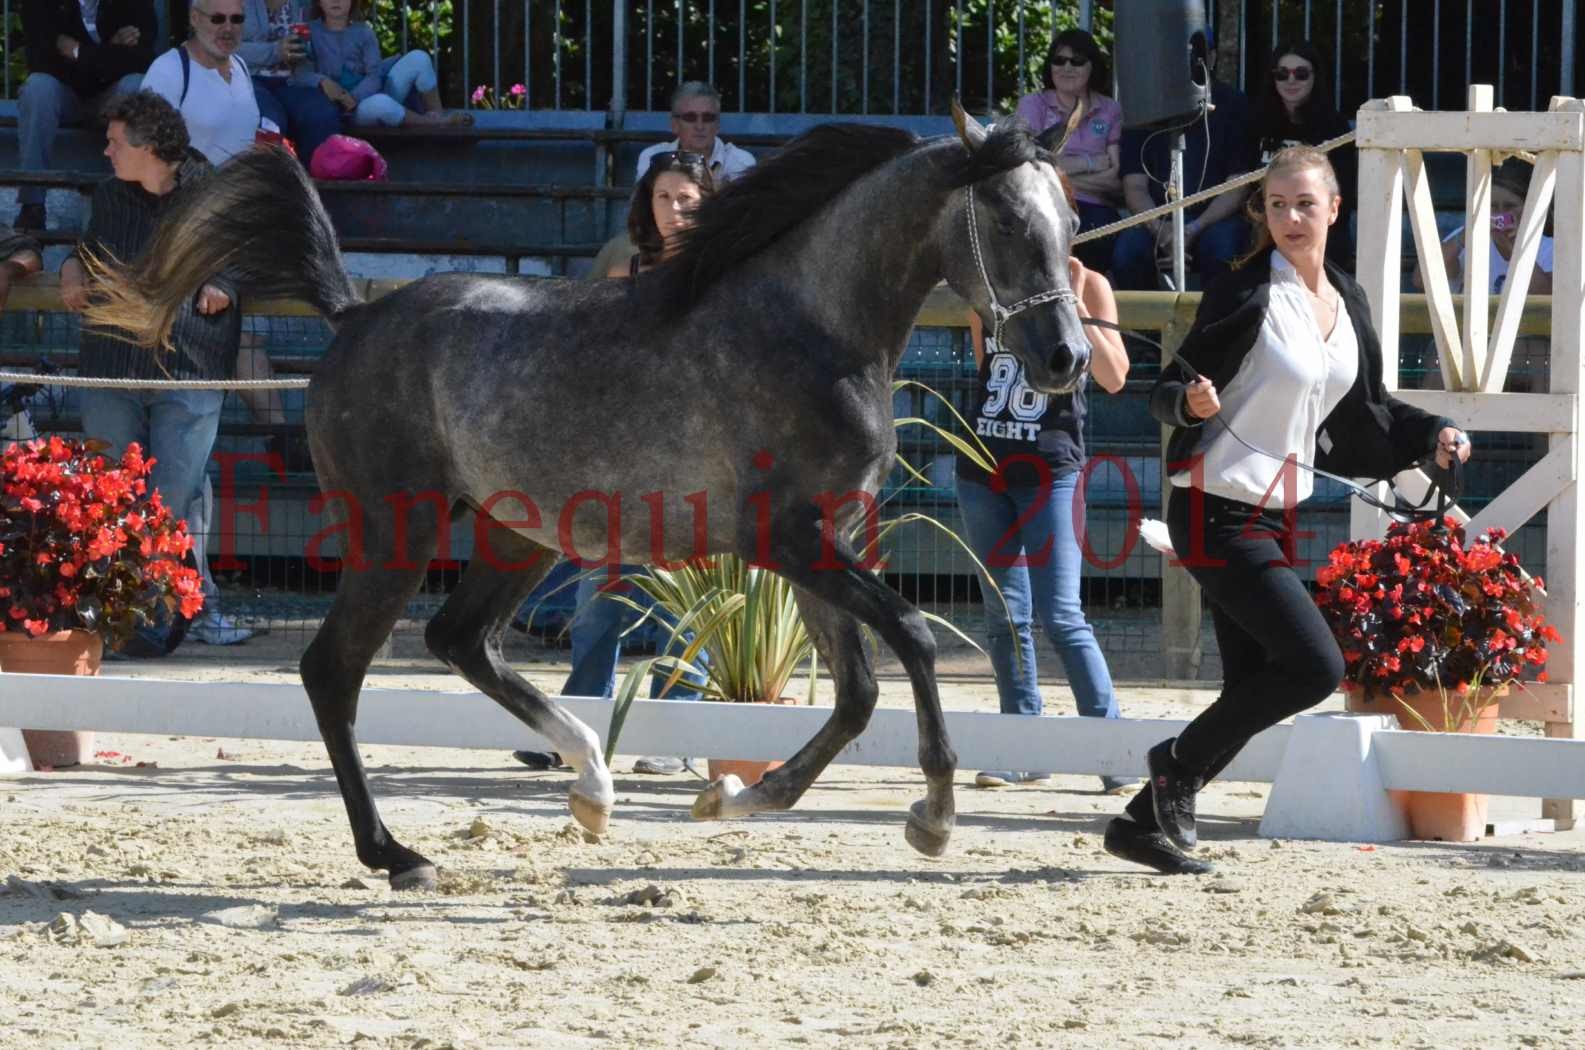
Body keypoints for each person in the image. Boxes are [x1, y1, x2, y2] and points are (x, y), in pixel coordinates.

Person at [1105, 147, 1472, 875]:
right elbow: (1165, 388)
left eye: (1304, 204)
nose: (1291, 218)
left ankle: (1142, 822)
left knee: (1250, 687)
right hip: (1212, 509)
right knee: (1311, 666)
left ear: (1334, 209)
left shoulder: (1346, 299)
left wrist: (1433, 432)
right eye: (1276, 206)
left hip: (1273, 514)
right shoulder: (1244, 292)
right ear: (1262, 213)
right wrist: (1187, 402)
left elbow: (1367, 411)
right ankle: (1172, 768)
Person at [514, 150, 717, 776]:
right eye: (663, 198)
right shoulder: (622, 266)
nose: (675, 209)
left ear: (708, 202)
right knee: (598, 602)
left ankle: (674, 734)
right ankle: (574, 730)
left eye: (687, 199)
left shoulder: (726, 272)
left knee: (691, 605)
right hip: (620, 459)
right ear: (646, 203)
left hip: (697, 459)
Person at [955, 174, 1136, 794]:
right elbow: (986, 364)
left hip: (1051, 469)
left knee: (1061, 614)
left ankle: (1111, 748)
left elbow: (1113, 378)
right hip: (984, 466)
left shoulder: (1093, 284)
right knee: (1005, 615)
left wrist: (1078, 306)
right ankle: (1021, 742)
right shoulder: (993, 285)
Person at [61, 91, 254, 649]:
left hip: (188, 367)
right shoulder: (109, 194)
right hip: (112, 365)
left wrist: (228, 282)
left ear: (147, 148)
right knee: (111, 499)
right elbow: (90, 248)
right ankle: (119, 620)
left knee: (171, 501)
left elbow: (249, 253)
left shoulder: (214, 193)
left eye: (116, 142)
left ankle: (163, 619)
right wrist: (72, 268)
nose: (106, 150)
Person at [1111, 33, 1257, 291]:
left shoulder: (1234, 104)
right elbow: (1134, 186)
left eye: (1195, 54)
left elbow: (1238, 183)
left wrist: (1191, 230)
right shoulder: (1142, 105)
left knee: (1224, 248)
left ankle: (1213, 329)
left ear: (1211, 58)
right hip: (1156, 221)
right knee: (1127, 252)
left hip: (1215, 220)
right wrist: (1162, 231)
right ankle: (1145, 332)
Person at [15, 0, 154, 232]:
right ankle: (32, 204)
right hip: (64, 95)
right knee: (37, 87)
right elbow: (40, 58)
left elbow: (142, 59)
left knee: (136, 85)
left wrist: (77, 51)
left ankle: (126, 204)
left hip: (111, 97)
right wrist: (112, 49)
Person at [1013, 29, 1123, 274]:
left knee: (1103, 236)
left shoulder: (1110, 110)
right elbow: (1029, 165)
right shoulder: (1033, 105)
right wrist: (1092, 162)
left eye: (1077, 61)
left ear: (1093, 66)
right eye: (1059, 60)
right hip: (1043, 201)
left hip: (1095, 210)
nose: (1066, 67)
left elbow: (1115, 180)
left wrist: (1057, 171)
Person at [1253, 39, 1355, 270]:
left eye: (1301, 73)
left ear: (1315, 77)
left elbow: (1343, 189)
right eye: (1282, 73)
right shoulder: (1256, 122)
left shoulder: (1334, 126)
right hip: (1261, 220)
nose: (1291, 80)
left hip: (1315, 220)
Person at [293, 0, 470, 127]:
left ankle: (438, 117)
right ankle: (434, 124)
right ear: (318, 2)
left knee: (419, 58)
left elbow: (374, 75)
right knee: (381, 104)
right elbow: (300, 74)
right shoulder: (309, 32)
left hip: (364, 100)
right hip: (342, 110)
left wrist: (354, 97)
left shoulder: (363, 32)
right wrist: (328, 86)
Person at [140, 0, 261, 165]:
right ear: (195, 19)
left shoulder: (240, 66)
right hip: (195, 189)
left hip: (243, 187)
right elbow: (149, 150)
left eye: (236, 19)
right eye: (217, 19)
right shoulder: (168, 69)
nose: (228, 28)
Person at [239, 0, 341, 164]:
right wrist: (276, 51)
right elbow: (229, 48)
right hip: (250, 79)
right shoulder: (234, 4)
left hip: (295, 80)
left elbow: (315, 49)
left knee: (322, 115)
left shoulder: (305, 5)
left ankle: (318, 183)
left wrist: (319, 79)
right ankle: (267, 186)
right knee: (269, 121)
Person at [635, 82, 756, 184]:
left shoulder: (740, 162)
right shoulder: (653, 158)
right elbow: (641, 209)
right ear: (674, 124)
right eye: (690, 117)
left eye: (708, 117)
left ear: (718, 124)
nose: (700, 126)